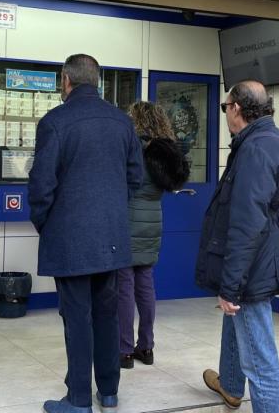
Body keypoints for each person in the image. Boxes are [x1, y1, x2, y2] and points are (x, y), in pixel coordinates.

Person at [28, 54, 143, 413]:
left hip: (71, 239)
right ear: (98, 81)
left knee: (77, 318)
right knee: (107, 314)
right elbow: (136, 177)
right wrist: (111, 212)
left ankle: (78, 400)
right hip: (111, 237)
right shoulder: (122, 122)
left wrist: (46, 224)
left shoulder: (55, 122)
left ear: (66, 80)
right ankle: (108, 391)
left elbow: (41, 186)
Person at [197, 80, 279, 413]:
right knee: (236, 322)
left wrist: (231, 285)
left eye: (225, 107)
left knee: (260, 361)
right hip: (266, 258)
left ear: (236, 108)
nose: (226, 113)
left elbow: (246, 225)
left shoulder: (255, 150)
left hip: (254, 267)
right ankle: (230, 383)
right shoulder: (274, 141)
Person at [119, 101, 188, 369]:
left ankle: (124, 350)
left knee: (124, 287)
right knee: (145, 284)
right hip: (153, 222)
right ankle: (146, 347)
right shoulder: (164, 151)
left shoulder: (134, 147)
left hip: (128, 221)